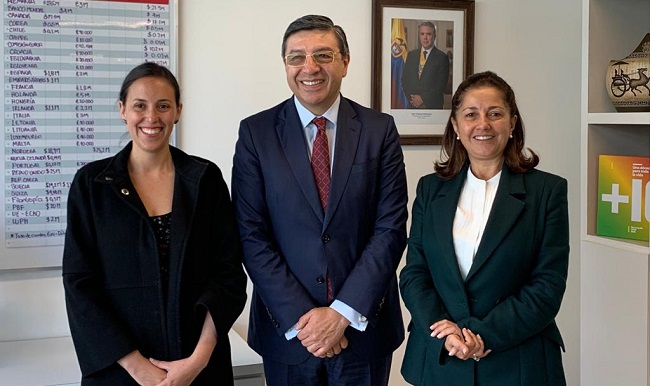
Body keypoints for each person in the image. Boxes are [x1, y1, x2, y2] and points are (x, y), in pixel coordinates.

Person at [231, 14, 408, 386]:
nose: (309, 67)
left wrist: (341, 314)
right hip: (289, 335)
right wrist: (306, 321)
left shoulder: (380, 131)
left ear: (345, 61)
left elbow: (389, 229)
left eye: (323, 55)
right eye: (297, 57)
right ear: (285, 65)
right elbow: (251, 235)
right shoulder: (256, 134)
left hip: (364, 331)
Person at [62, 62, 247, 385]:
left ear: (178, 110)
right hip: (119, 372)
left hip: (200, 369)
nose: (152, 117)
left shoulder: (204, 179)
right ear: (122, 110)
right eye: (139, 106)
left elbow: (228, 277)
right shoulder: (92, 185)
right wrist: (138, 368)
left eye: (163, 106)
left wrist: (197, 361)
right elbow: (80, 285)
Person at [399, 70, 568, 386]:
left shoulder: (548, 192)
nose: (483, 125)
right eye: (471, 114)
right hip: (439, 360)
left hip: (517, 364)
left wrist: (482, 335)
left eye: (495, 114)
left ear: (512, 122)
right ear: (456, 125)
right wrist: (441, 328)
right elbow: (414, 274)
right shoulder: (430, 189)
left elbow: (547, 286)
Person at [401, 21, 450, 109]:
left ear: (434, 36)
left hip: (432, 106)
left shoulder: (442, 57)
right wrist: (413, 99)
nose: (425, 38)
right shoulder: (411, 55)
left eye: (429, 34)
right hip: (412, 105)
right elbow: (404, 80)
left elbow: (441, 86)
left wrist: (423, 99)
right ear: (419, 36)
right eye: (422, 34)